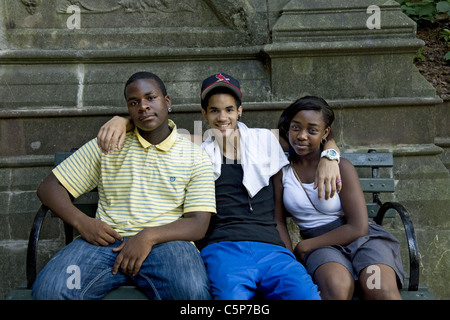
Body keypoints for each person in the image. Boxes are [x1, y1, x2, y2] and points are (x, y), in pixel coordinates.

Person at [96, 73, 342, 300]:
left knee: (305, 296)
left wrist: (330, 154)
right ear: (204, 115)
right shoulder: (197, 145)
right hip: (223, 249)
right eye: (214, 110)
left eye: (229, 109)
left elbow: (313, 138)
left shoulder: (266, 140)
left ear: (240, 111)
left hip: (271, 249)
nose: (222, 117)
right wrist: (122, 120)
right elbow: (153, 126)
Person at [32, 72, 216, 300]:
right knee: (52, 289)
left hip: (167, 246)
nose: (143, 106)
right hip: (105, 244)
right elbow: (49, 187)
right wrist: (83, 222)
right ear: (128, 110)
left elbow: (198, 224)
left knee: (192, 293)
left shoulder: (194, 156)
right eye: (134, 102)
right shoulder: (109, 145)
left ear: (167, 102)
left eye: (151, 98)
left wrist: (147, 237)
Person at [274, 96, 404, 300]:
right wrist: (290, 257)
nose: (301, 135)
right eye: (296, 127)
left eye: (312, 130)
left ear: (325, 132)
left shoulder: (340, 166)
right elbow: (278, 221)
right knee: (337, 286)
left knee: (378, 287)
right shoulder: (282, 171)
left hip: (364, 241)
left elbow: (359, 227)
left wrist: (304, 246)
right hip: (322, 247)